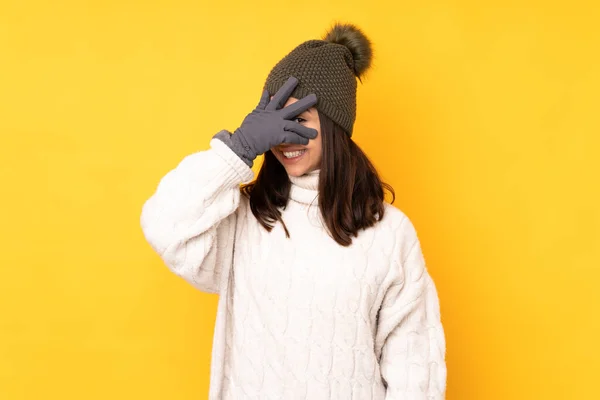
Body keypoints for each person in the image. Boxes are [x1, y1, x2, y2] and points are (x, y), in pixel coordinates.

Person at [141, 22, 446, 399]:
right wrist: (239, 147)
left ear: (334, 127)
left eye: (298, 121)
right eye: (274, 122)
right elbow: (163, 224)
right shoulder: (245, 221)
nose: (284, 138)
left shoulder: (388, 234)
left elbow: (415, 369)